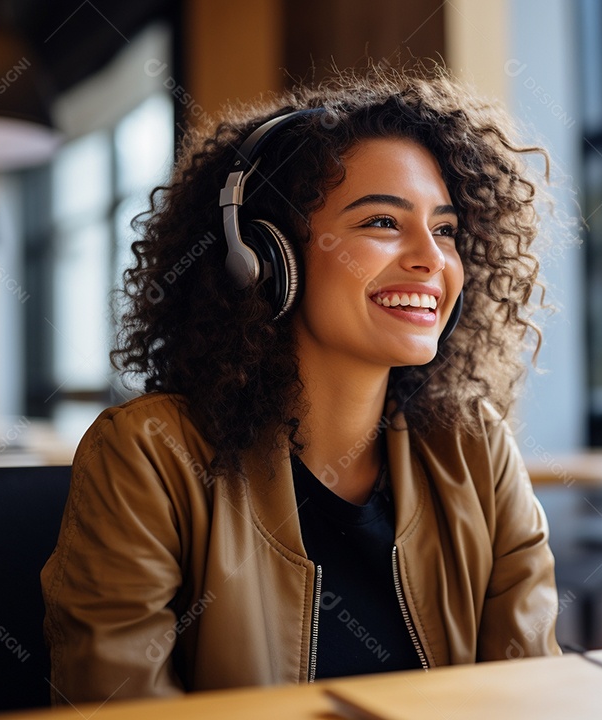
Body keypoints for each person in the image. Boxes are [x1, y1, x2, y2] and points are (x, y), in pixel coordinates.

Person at [41, 66, 561, 705]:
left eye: (446, 230)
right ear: (263, 257)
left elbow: (533, 696)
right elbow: (121, 709)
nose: (432, 258)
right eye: (382, 222)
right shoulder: (150, 456)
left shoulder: (475, 449)